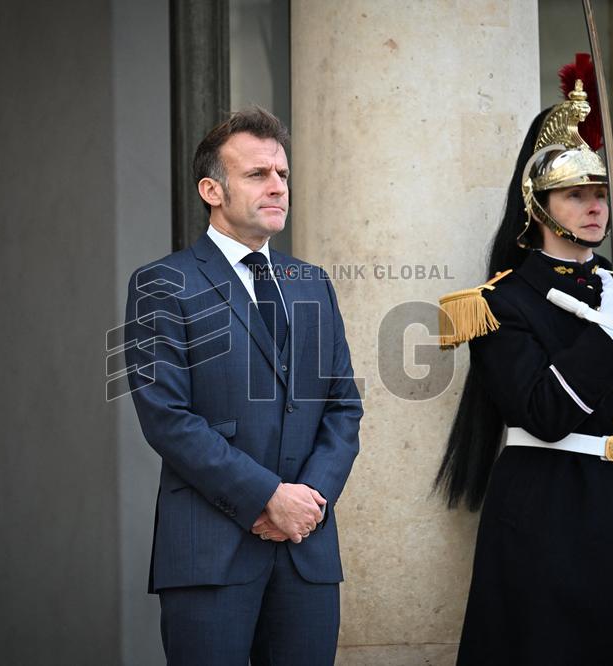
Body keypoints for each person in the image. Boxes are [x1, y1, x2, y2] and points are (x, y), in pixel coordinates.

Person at [435, 81, 613, 665]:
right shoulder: (503, 304)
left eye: (601, 194)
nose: (595, 208)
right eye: (574, 195)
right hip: (546, 520)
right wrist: (606, 334)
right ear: (538, 206)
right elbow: (542, 411)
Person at [123, 107, 362, 665]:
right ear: (212, 189)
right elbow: (168, 417)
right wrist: (265, 497)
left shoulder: (313, 284)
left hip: (308, 550)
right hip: (210, 549)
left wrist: (308, 502)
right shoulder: (163, 283)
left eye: (282, 174)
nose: (277, 185)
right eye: (258, 174)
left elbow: (343, 407)